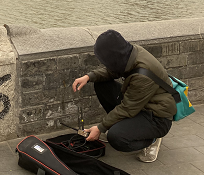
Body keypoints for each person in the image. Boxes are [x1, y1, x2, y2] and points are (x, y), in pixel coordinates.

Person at [72, 29, 176, 163]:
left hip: (157, 117)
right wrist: (88, 77)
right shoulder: (129, 53)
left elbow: (127, 108)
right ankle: (123, 126)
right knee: (101, 84)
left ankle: (151, 139)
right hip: (140, 103)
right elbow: (113, 71)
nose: (104, 63)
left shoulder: (142, 74)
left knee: (117, 138)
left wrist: (100, 127)